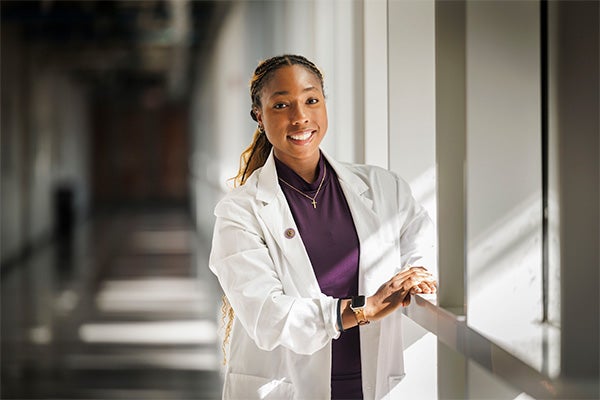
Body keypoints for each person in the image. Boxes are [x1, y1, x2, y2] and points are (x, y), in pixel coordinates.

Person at [209, 54, 437, 400]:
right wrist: (365, 308)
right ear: (259, 116)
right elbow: (268, 315)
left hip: (371, 383)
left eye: (311, 100)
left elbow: (421, 238)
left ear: (324, 104)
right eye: (281, 105)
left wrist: (418, 270)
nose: (300, 117)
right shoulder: (239, 211)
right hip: (286, 388)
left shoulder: (382, 186)